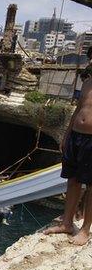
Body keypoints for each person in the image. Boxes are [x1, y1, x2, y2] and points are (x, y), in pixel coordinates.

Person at [44, 49, 92, 245]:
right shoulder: (88, 82)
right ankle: (66, 223)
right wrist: (66, 134)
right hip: (76, 136)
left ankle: (85, 229)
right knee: (72, 180)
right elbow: (79, 109)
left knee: (91, 185)